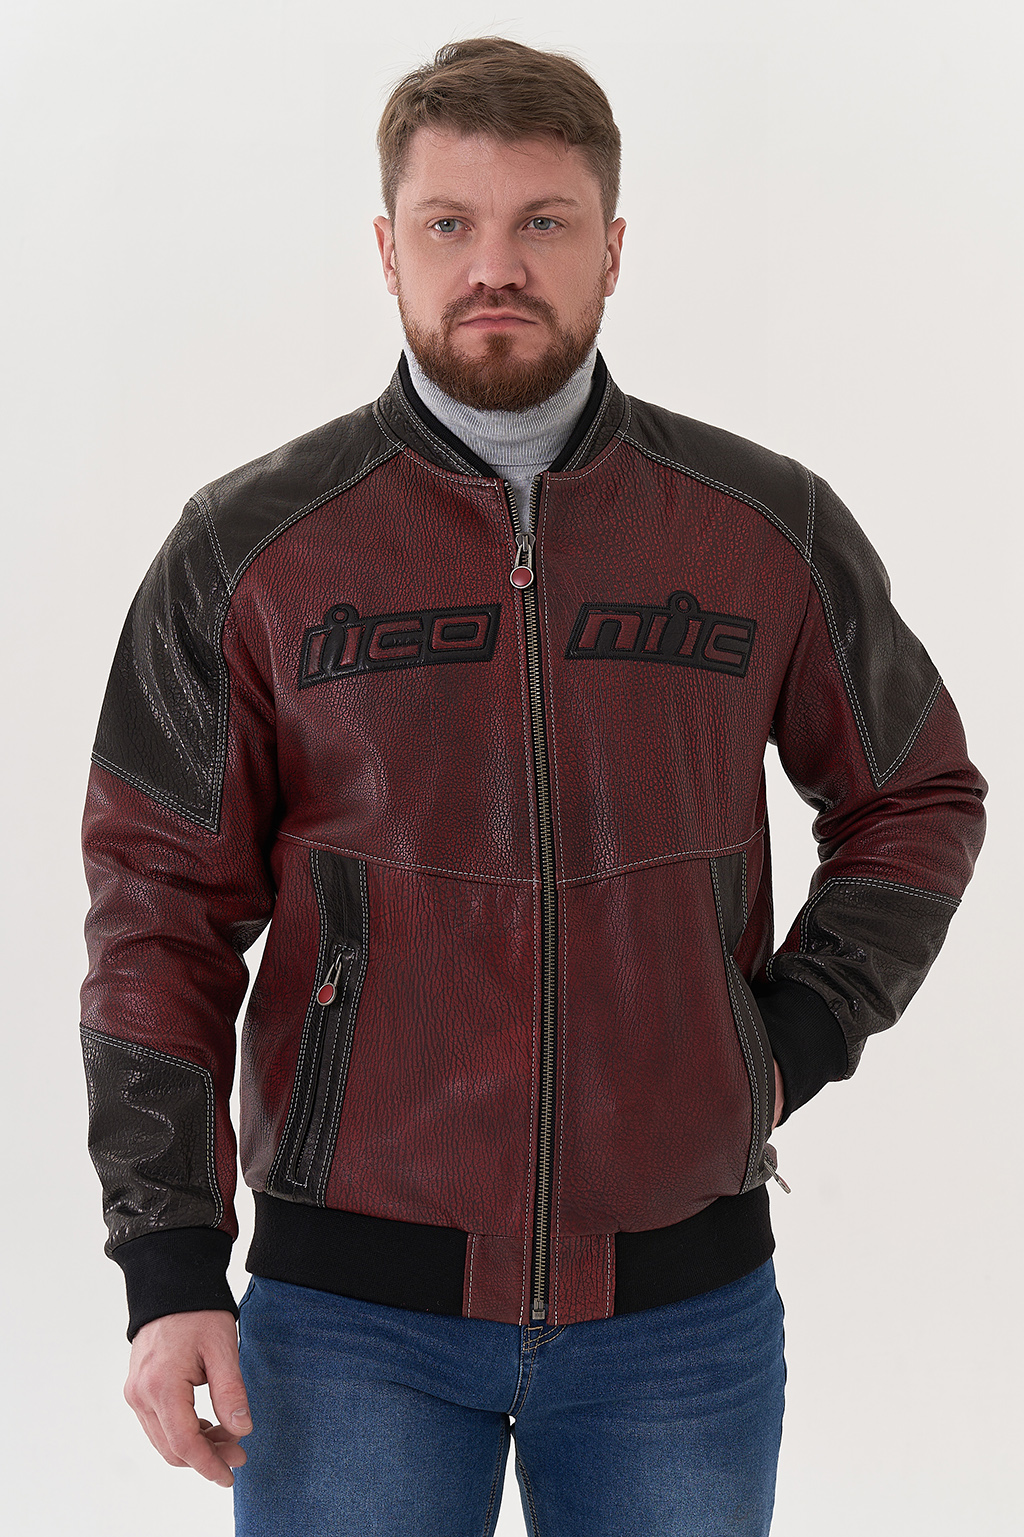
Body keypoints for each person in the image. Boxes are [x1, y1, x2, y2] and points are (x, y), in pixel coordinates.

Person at [80, 36, 987, 1537]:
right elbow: (156, 910)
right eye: (450, 223)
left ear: (613, 249)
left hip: (678, 1317)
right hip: (348, 1317)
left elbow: (919, 794)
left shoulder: (757, 528)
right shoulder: (253, 549)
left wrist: (791, 1036)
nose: (493, 266)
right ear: (388, 248)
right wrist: (168, 1264)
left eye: (542, 223)